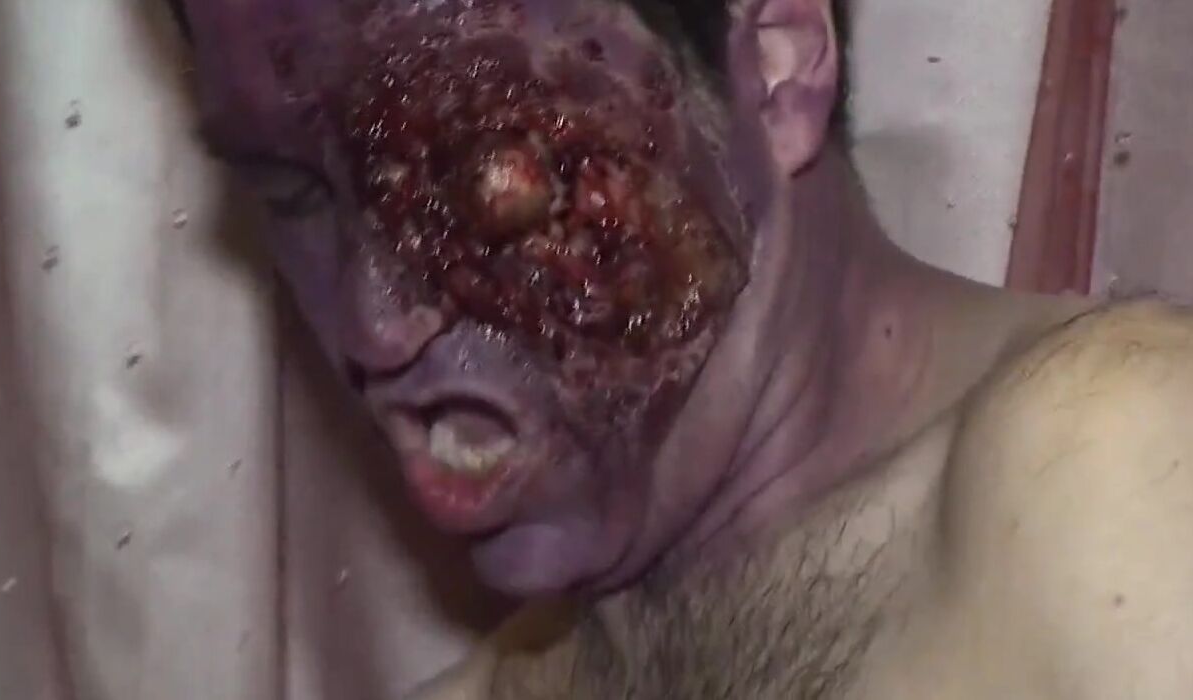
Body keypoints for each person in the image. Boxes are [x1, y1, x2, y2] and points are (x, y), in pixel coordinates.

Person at [176, 0, 1193, 697]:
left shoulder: (1114, 466)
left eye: (478, 161)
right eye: (293, 192)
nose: (371, 323)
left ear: (778, 66)